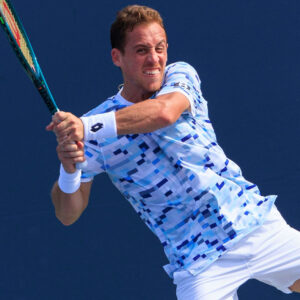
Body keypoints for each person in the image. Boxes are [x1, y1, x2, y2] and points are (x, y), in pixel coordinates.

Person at [46, 5, 300, 299]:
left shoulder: (179, 76)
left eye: (159, 48)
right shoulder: (92, 137)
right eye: (142, 50)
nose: (154, 59)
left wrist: (85, 126)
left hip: (254, 225)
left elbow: (164, 112)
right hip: (198, 264)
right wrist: (69, 169)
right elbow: (68, 214)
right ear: (118, 57)